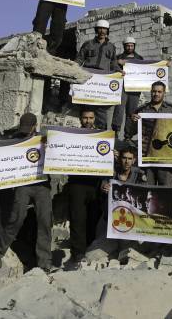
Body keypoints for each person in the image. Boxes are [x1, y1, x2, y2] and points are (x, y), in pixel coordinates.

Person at [0, 113, 53, 272]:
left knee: (45, 221)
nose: (26, 131)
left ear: (35, 126)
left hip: (41, 184)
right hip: (23, 184)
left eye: (29, 128)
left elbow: (58, 160)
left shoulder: (44, 140)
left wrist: (49, 150)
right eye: (23, 128)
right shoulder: (14, 140)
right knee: (16, 217)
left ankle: (44, 263)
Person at [66, 108, 104, 267]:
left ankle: (90, 251)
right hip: (77, 184)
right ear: (80, 119)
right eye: (85, 118)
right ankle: (77, 254)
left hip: (94, 184)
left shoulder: (102, 137)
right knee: (77, 219)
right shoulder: (72, 136)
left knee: (93, 218)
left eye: (90, 118)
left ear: (94, 119)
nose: (88, 121)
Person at [131, 81, 172, 185]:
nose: (156, 94)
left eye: (159, 92)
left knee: (165, 191)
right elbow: (132, 132)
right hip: (147, 157)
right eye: (154, 91)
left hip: (165, 158)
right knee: (147, 190)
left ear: (164, 93)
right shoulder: (142, 110)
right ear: (151, 92)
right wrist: (133, 122)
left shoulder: (171, 110)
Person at [75, 19, 119, 130]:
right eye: (100, 28)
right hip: (88, 80)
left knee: (101, 109)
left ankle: (101, 134)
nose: (102, 31)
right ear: (96, 30)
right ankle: (85, 132)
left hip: (103, 83)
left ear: (107, 31)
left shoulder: (111, 47)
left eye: (104, 29)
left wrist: (119, 71)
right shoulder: (88, 44)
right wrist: (74, 68)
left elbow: (113, 63)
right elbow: (79, 59)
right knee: (87, 108)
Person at [112, 37, 144, 140]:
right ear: (124, 46)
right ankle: (115, 132)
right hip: (122, 87)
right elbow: (111, 66)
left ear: (134, 46)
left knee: (131, 111)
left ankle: (128, 135)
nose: (130, 47)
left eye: (131, 45)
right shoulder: (118, 57)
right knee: (119, 110)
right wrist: (118, 63)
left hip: (134, 89)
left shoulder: (139, 58)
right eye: (127, 45)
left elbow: (146, 71)